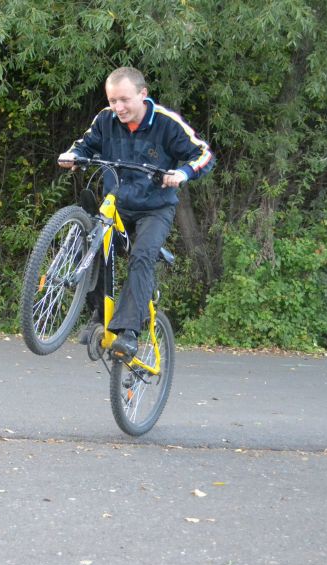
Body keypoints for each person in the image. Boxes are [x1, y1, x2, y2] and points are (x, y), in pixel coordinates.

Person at [58, 66, 214, 359]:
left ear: (143, 94)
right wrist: (74, 156)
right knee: (91, 246)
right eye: (112, 100)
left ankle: (128, 332)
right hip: (117, 204)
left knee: (142, 257)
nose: (118, 107)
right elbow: (85, 145)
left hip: (154, 209)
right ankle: (99, 316)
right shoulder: (105, 119)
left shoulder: (165, 123)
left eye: (124, 100)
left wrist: (182, 173)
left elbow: (203, 154)